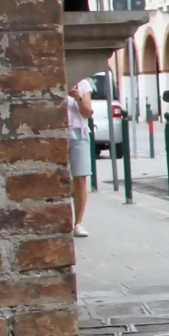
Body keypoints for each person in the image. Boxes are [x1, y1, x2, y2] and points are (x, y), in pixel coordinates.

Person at [66, 77, 93, 238]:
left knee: (80, 177)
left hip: (79, 133)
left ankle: (78, 223)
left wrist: (77, 97)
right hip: (59, 132)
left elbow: (87, 112)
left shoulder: (82, 84)